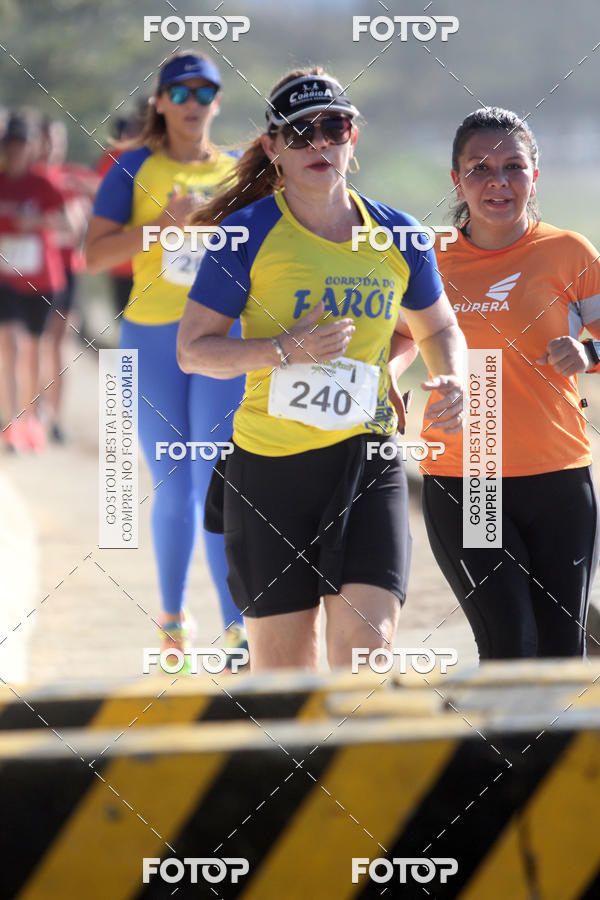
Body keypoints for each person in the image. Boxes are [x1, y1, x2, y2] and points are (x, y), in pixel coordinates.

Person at [177, 67, 466, 672]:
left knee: (366, 655)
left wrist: (449, 377)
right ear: (273, 148)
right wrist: (284, 350)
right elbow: (194, 350)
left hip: (368, 462)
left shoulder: (398, 235)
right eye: (299, 132)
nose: (319, 144)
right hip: (269, 472)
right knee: (286, 678)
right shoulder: (246, 234)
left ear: (351, 138)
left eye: (332, 128)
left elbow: (436, 327)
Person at [416, 107, 600, 660]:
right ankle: (496, 725)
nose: (498, 181)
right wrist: (391, 391)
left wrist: (588, 351)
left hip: (558, 476)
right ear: (457, 180)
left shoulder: (568, 252)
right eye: (480, 168)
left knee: (561, 654)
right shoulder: (430, 258)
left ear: (534, 176)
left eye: (513, 167)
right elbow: (393, 340)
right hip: (471, 475)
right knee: (509, 645)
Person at [85, 53, 247, 660]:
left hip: (220, 341)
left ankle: (236, 628)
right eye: (179, 92)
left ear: (218, 102)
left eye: (204, 91)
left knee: (216, 481)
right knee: (173, 483)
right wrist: (160, 226)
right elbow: (93, 256)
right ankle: (174, 621)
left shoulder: (240, 170)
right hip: (151, 340)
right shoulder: (132, 167)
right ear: (159, 102)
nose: (192, 102)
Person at [0, 113, 71, 451]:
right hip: (4, 278)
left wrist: (34, 220)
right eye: (11, 144)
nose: (16, 150)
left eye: (22, 144)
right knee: (8, 348)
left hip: (40, 281)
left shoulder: (43, 183)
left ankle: (30, 421)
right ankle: (11, 422)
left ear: (31, 147)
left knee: (32, 351)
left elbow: (67, 225)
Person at [35, 116, 99, 442]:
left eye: (57, 140)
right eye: (46, 140)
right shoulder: (29, 179)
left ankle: (55, 419)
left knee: (60, 346)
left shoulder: (75, 177)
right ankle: (31, 411)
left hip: (69, 272)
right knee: (33, 344)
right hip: (34, 272)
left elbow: (112, 194)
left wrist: (87, 196)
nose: (51, 147)